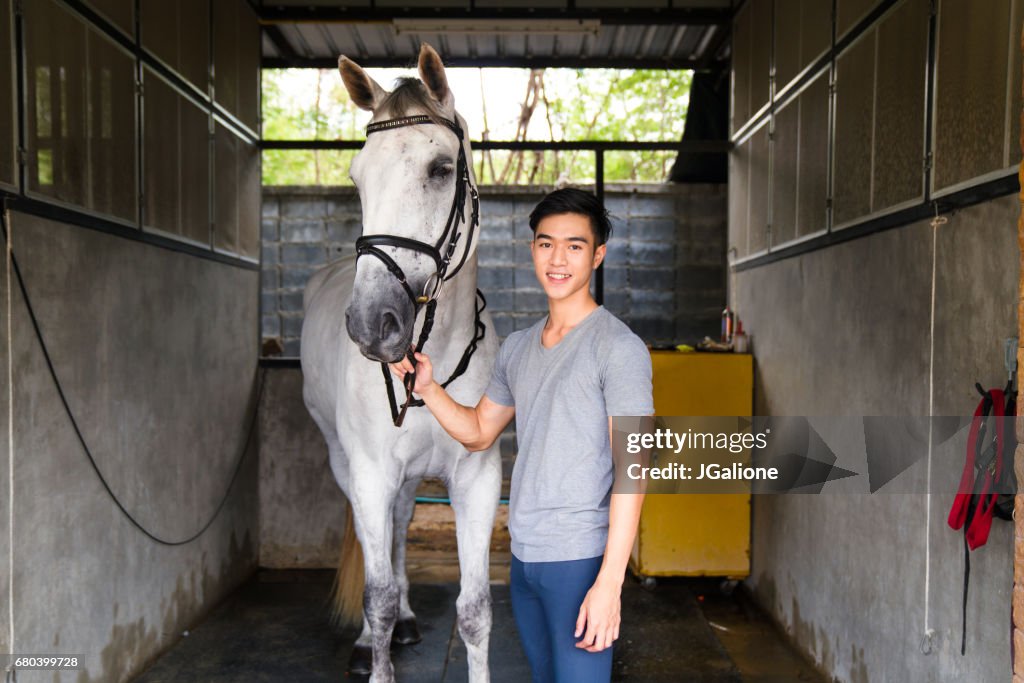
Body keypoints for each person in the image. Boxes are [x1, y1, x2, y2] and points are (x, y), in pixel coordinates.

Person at [390, 188, 653, 682]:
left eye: (575, 246)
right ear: (532, 249)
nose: (558, 258)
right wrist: (428, 389)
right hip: (524, 558)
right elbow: (477, 432)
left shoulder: (619, 348)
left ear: (597, 254)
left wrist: (609, 584)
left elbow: (633, 469)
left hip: (578, 559)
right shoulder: (516, 348)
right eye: (545, 243)